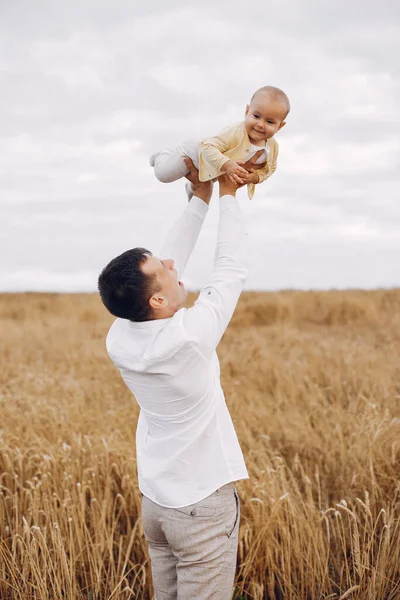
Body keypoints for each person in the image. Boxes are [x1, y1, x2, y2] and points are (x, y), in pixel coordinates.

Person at [98, 151, 265, 599]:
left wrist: (200, 198)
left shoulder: (121, 335)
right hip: (201, 508)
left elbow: (166, 267)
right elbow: (231, 269)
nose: (173, 266)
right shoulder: (188, 338)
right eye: (163, 270)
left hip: (157, 504)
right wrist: (228, 197)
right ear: (155, 302)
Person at [150, 85, 290, 200]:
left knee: (203, 189)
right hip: (195, 154)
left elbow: (270, 168)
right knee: (163, 175)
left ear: (280, 126)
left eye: (270, 122)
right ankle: (163, 155)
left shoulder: (272, 147)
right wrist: (228, 165)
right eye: (256, 116)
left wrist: (256, 177)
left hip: (215, 169)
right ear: (247, 111)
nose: (260, 124)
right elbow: (207, 147)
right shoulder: (235, 132)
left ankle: (191, 187)